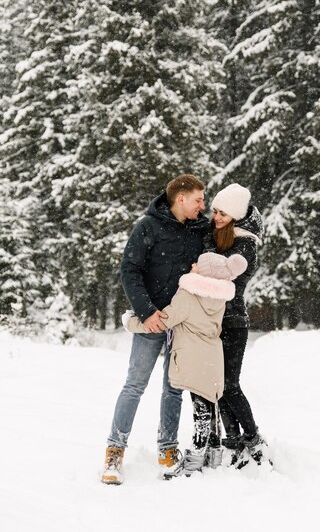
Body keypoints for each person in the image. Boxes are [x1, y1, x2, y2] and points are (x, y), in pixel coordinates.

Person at [101, 174, 207, 485]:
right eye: (198, 200)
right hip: (153, 320)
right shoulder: (148, 227)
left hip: (183, 322)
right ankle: (114, 451)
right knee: (135, 385)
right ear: (181, 199)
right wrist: (146, 312)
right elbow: (129, 270)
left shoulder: (200, 228)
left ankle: (168, 449)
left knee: (174, 388)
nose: (203, 206)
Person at [123, 251, 248, 479]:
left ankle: (194, 461)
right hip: (212, 358)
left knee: (200, 412)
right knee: (209, 406)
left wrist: (130, 322)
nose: (193, 264)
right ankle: (214, 453)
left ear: (206, 273)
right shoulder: (219, 298)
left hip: (192, 358)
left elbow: (163, 321)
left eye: (198, 265)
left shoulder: (189, 296)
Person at [205, 183, 271, 468]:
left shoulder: (245, 244)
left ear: (234, 215)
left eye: (222, 212)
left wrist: (204, 265)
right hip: (212, 322)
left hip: (232, 322)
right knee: (217, 386)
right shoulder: (218, 237)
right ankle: (233, 440)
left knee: (230, 385)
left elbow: (228, 274)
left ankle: (254, 438)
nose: (216, 216)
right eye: (215, 211)